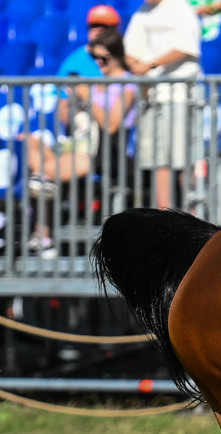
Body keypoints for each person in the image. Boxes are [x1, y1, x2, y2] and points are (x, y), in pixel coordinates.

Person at [24, 28, 139, 259]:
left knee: (46, 174)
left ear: (117, 56)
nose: (98, 63)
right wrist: (68, 103)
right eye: (94, 58)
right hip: (79, 143)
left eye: (103, 58)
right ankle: (43, 189)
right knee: (31, 140)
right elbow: (68, 121)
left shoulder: (128, 85)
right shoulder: (96, 83)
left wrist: (86, 97)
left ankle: (43, 232)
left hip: (106, 152)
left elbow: (113, 124)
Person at [123, 0, 203, 210]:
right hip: (151, 96)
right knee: (160, 161)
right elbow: (129, 50)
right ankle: (164, 215)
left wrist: (149, 65)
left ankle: (192, 216)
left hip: (179, 95)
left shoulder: (181, 8)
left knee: (184, 159)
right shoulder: (142, 12)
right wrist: (136, 66)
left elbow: (185, 47)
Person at [56, 5, 123, 79]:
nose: (99, 30)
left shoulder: (125, 58)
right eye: (95, 26)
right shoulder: (76, 62)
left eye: (106, 27)